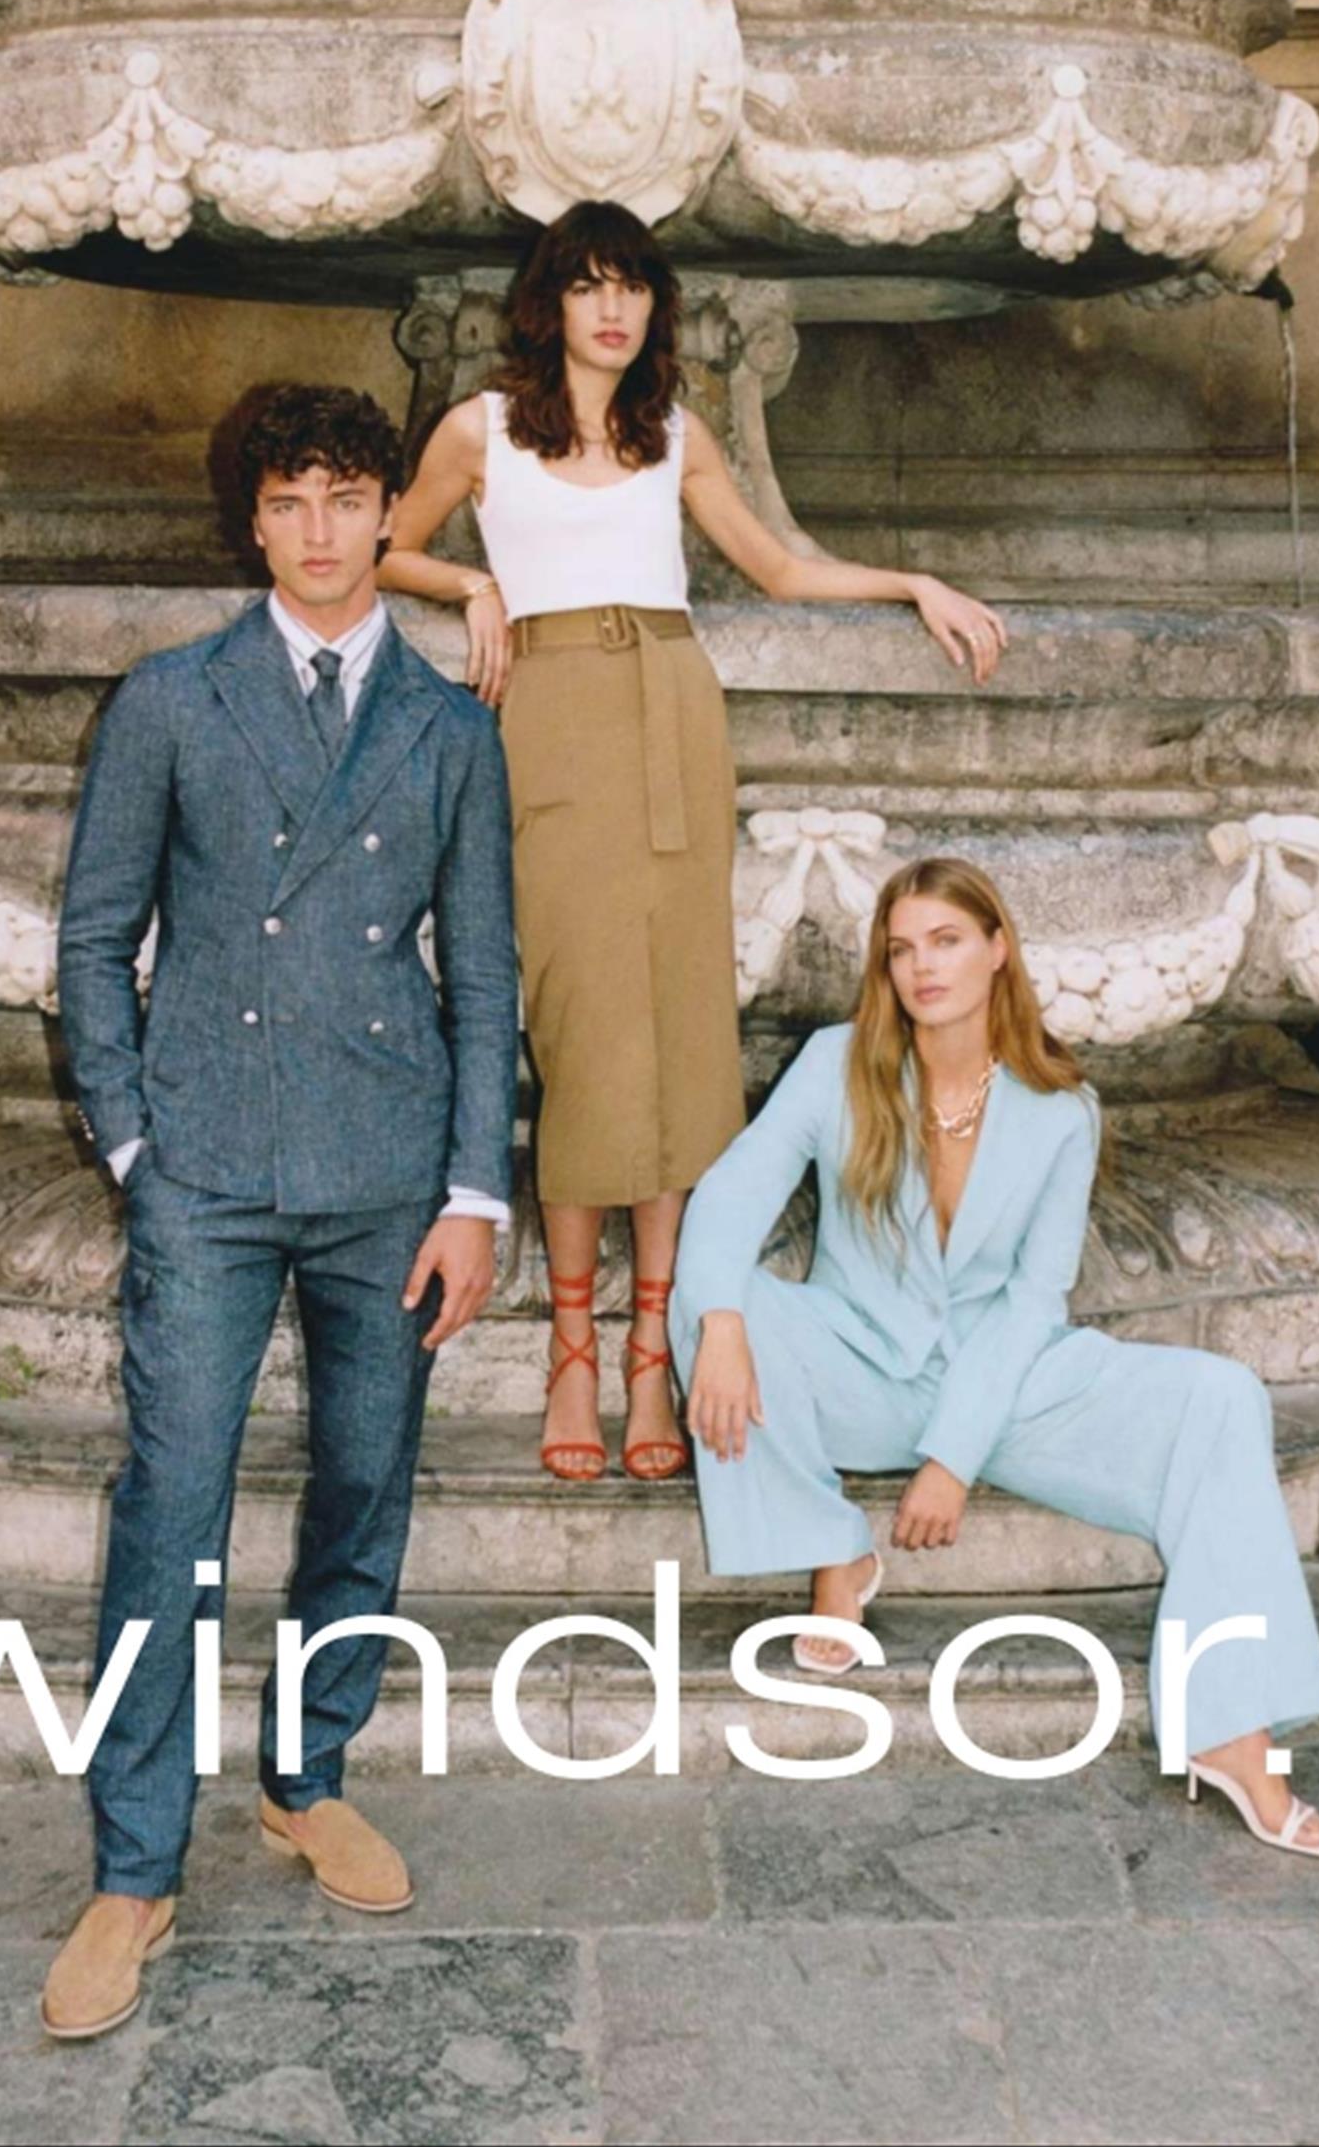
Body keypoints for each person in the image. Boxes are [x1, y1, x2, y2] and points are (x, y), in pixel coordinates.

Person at [381, 201, 1006, 1486]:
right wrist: (473, 582)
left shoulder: (673, 433)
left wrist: (914, 582)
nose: (613, 308)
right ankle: (571, 1349)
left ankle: (651, 1352)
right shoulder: (481, 430)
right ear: (550, 303)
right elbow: (383, 545)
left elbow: (780, 567)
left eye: (633, 287)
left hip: (674, 710)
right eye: (589, 285)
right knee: (579, 1034)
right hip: (552, 720)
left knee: (678, 1041)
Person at [42, 384, 519, 2039]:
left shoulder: (451, 728)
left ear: (391, 513)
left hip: (387, 1175)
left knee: (363, 1488)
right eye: (289, 499)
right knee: (169, 1511)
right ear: (253, 521)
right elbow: (95, 937)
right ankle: (133, 1867)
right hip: (209, 1173)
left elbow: (485, 978)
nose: (320, 529)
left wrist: (475, 1191)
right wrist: (132, 1146)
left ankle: (308, 1778)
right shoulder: (173, 701)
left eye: (346, 496)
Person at [670, 855, 1319, 1858]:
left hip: (1006, 1378)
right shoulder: (836, 1062)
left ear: (997, 949)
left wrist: (953, 1456)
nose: (922, 966)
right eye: (903, 948)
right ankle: (835, 1549)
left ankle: (1230, 1731)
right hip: (856, 1359)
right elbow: (731, 1196)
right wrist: (725, 1321)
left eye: (946, 940)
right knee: (711, 1307)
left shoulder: (1061, 1108)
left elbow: (1033, 1304)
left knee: (1222, 1397)